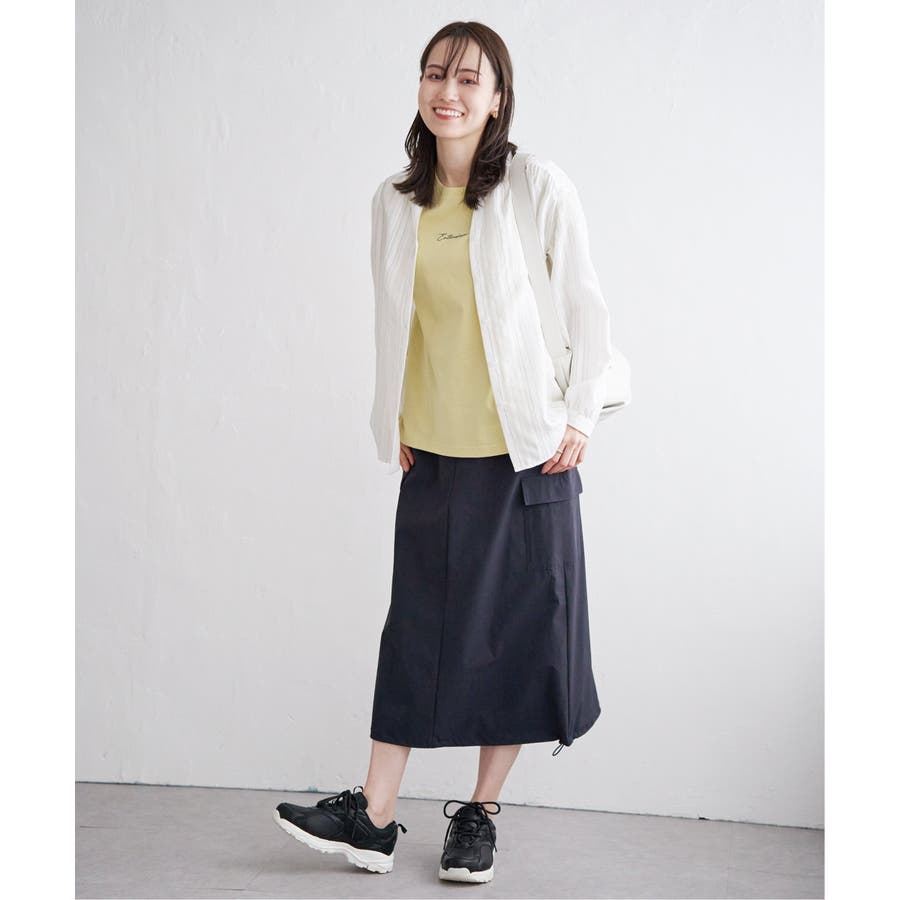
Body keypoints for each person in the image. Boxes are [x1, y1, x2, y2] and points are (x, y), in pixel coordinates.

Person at [274, 19, 620, 884]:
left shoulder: (536, 186)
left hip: (528, 453)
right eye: (436, 74)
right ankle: (375, 816)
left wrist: (581, 414)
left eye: (469, 79)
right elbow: (396, 321)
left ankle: (480, 813)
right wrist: (391, 414)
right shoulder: (395, 201)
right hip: (431, 451)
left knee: (517, 634)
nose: (449, 92)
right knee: (416, 633)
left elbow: (585, 304)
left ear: (498, 99)